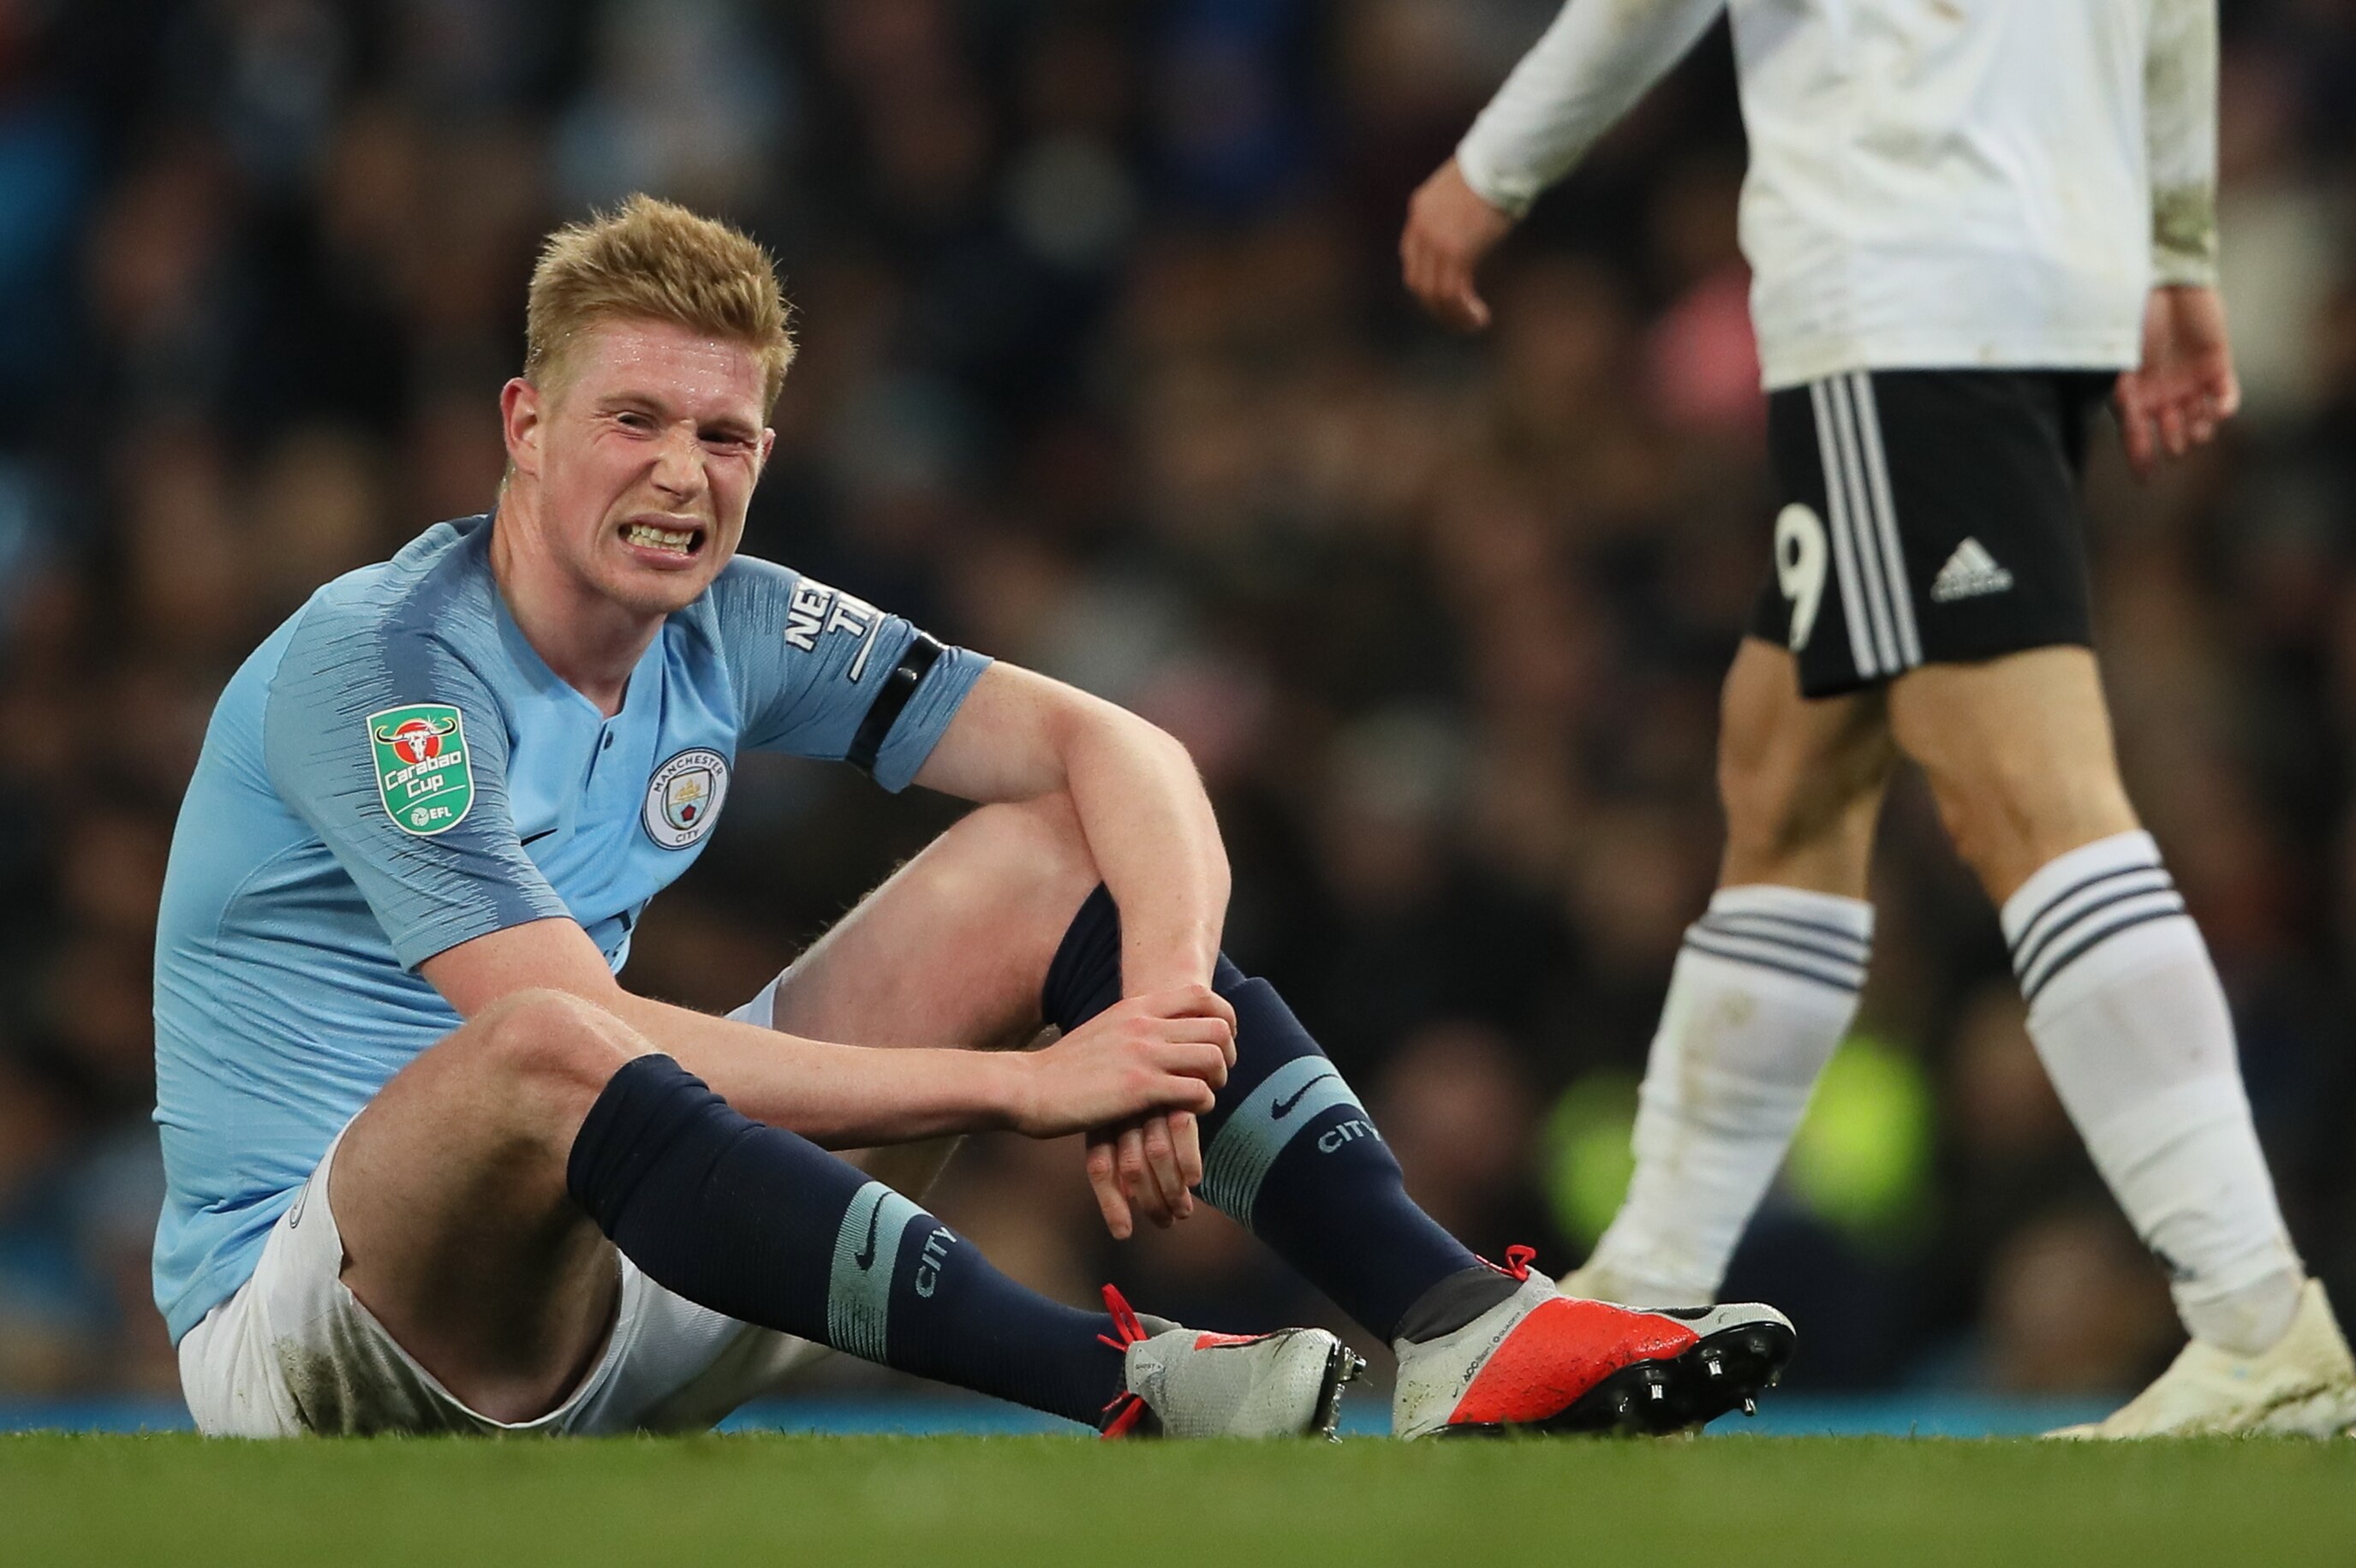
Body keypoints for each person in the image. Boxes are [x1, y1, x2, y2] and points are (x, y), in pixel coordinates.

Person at [152, 194, 1793, 1440]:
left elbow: (1120, 749)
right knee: (547, 1040)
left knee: (1052, 856)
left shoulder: (732, 622)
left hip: (625, 1271)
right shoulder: (387, 669)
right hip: (323, 1330)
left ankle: (1454, 1324)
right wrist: (1029, 1088)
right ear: (525, 425)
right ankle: (1121, 1383)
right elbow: (564, 1032)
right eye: (632, 420)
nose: (680, 475)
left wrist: (1154, 1020)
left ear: (764, 451)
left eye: (722, 436)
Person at [1401, 0, 2356, 1437]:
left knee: (2028, 793)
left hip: (1903, 279)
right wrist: (2172, 252)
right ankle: (1648, 1283)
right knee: (1790, 770)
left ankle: (2258, 1315)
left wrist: (1493, 166)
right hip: (2019, 274)